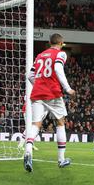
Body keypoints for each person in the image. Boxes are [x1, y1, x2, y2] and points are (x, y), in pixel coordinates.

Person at [24, 33, 76, 172]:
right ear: (61, 43)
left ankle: (28, 152)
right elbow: (58, 69)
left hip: (37, 93)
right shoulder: (61, 54)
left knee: (36, 125)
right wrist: (68, 88)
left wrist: (39, 84)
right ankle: (61, 159)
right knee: (60, 122)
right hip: (52, 93)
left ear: (49, 42)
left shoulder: (40, 55)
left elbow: (29, 75)